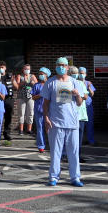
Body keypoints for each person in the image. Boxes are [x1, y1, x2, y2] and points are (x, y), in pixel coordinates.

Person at [43, 57, 85, 187]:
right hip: (56, 122)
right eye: (59, 65)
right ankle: (54, 177)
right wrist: (46, 118)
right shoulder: (50, 83)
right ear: (55, 66)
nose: (61, 67)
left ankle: (75, 177)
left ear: (67, 67)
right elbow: (45, 103)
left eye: (63, 65)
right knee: (55, 152)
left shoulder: (74, 82)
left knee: (73, 152)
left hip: (72, 122)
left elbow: (79, 103)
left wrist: (77, 94)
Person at [12, 64, 36, 135]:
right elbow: (17, 86)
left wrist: (33, 83)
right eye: (25, 69)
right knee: (21, 114)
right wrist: (23, 82)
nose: (27, 70)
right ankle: (21, 130)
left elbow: (37, 85)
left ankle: (29, 129)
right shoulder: (20, 76)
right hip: (21, 97)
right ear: (23, 69)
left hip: (30, 97)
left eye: (28, 69)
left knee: (30, 113)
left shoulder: (32, 76)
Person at [31, 68, 50, 153]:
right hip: (38, 109)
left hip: (49, 110)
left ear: (47, 75)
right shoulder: (36, 85)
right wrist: (40, 95)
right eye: (40, 74)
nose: (40, 75)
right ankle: (41, 145)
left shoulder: (50, 84)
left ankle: (51, 144)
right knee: (39, 128)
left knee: (49, 128)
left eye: (42, 74)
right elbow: (33, 97)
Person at [78, 67, 96, 145]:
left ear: (85, 74)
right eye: (80, 73)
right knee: (79, 125)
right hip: (79, 106)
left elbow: (92, 94)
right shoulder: (76, 82)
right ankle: (79, 141)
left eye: (83, 73)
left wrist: (89, 87)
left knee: (90, 123)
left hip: (88, 106)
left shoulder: (88, 83)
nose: (81, 75)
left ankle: (90, 140)